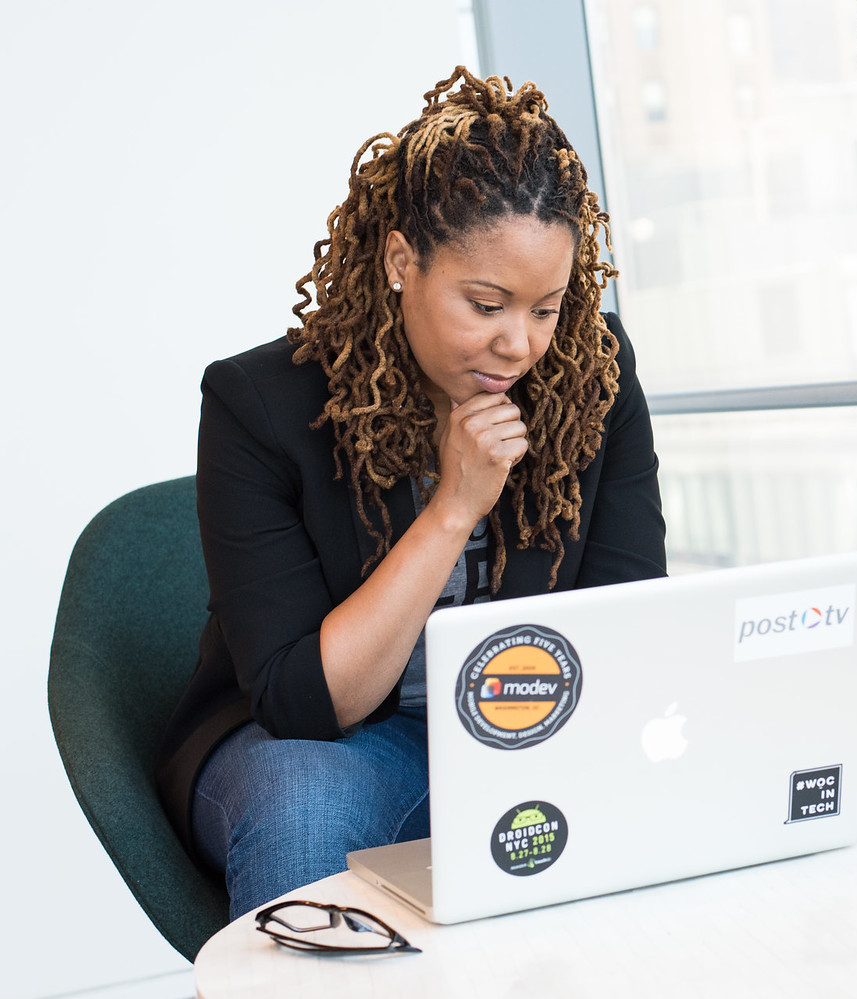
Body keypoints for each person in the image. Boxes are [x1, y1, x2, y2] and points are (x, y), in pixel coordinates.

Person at [155, 67, 667, 923]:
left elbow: (627, 618)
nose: (521, 344)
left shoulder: (593, 376)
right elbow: (308, 704)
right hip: (336, 745)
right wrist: (454, 508)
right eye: (487, 303)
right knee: (304, 804)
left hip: (531, 726)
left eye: (546, 308)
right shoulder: (262, 406)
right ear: (401, 261)